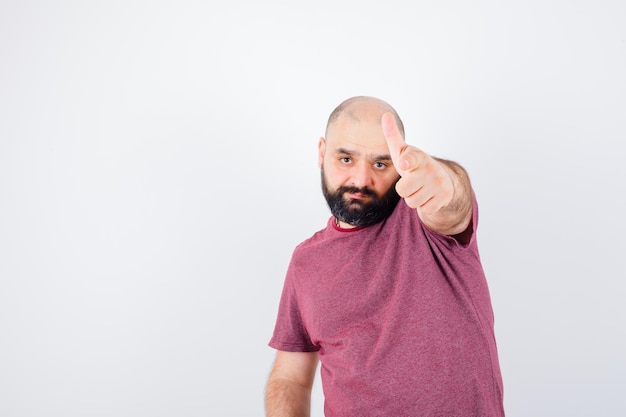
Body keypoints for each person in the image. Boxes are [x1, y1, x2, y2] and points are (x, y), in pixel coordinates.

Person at [265, 96, 505, 416]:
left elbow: (452, 204)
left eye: (380, 164)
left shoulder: (422, 218)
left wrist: (445, 183)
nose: (361, 180)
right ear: (322, 153)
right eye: (346, 159)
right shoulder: (305, 262)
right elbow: (290, 377)